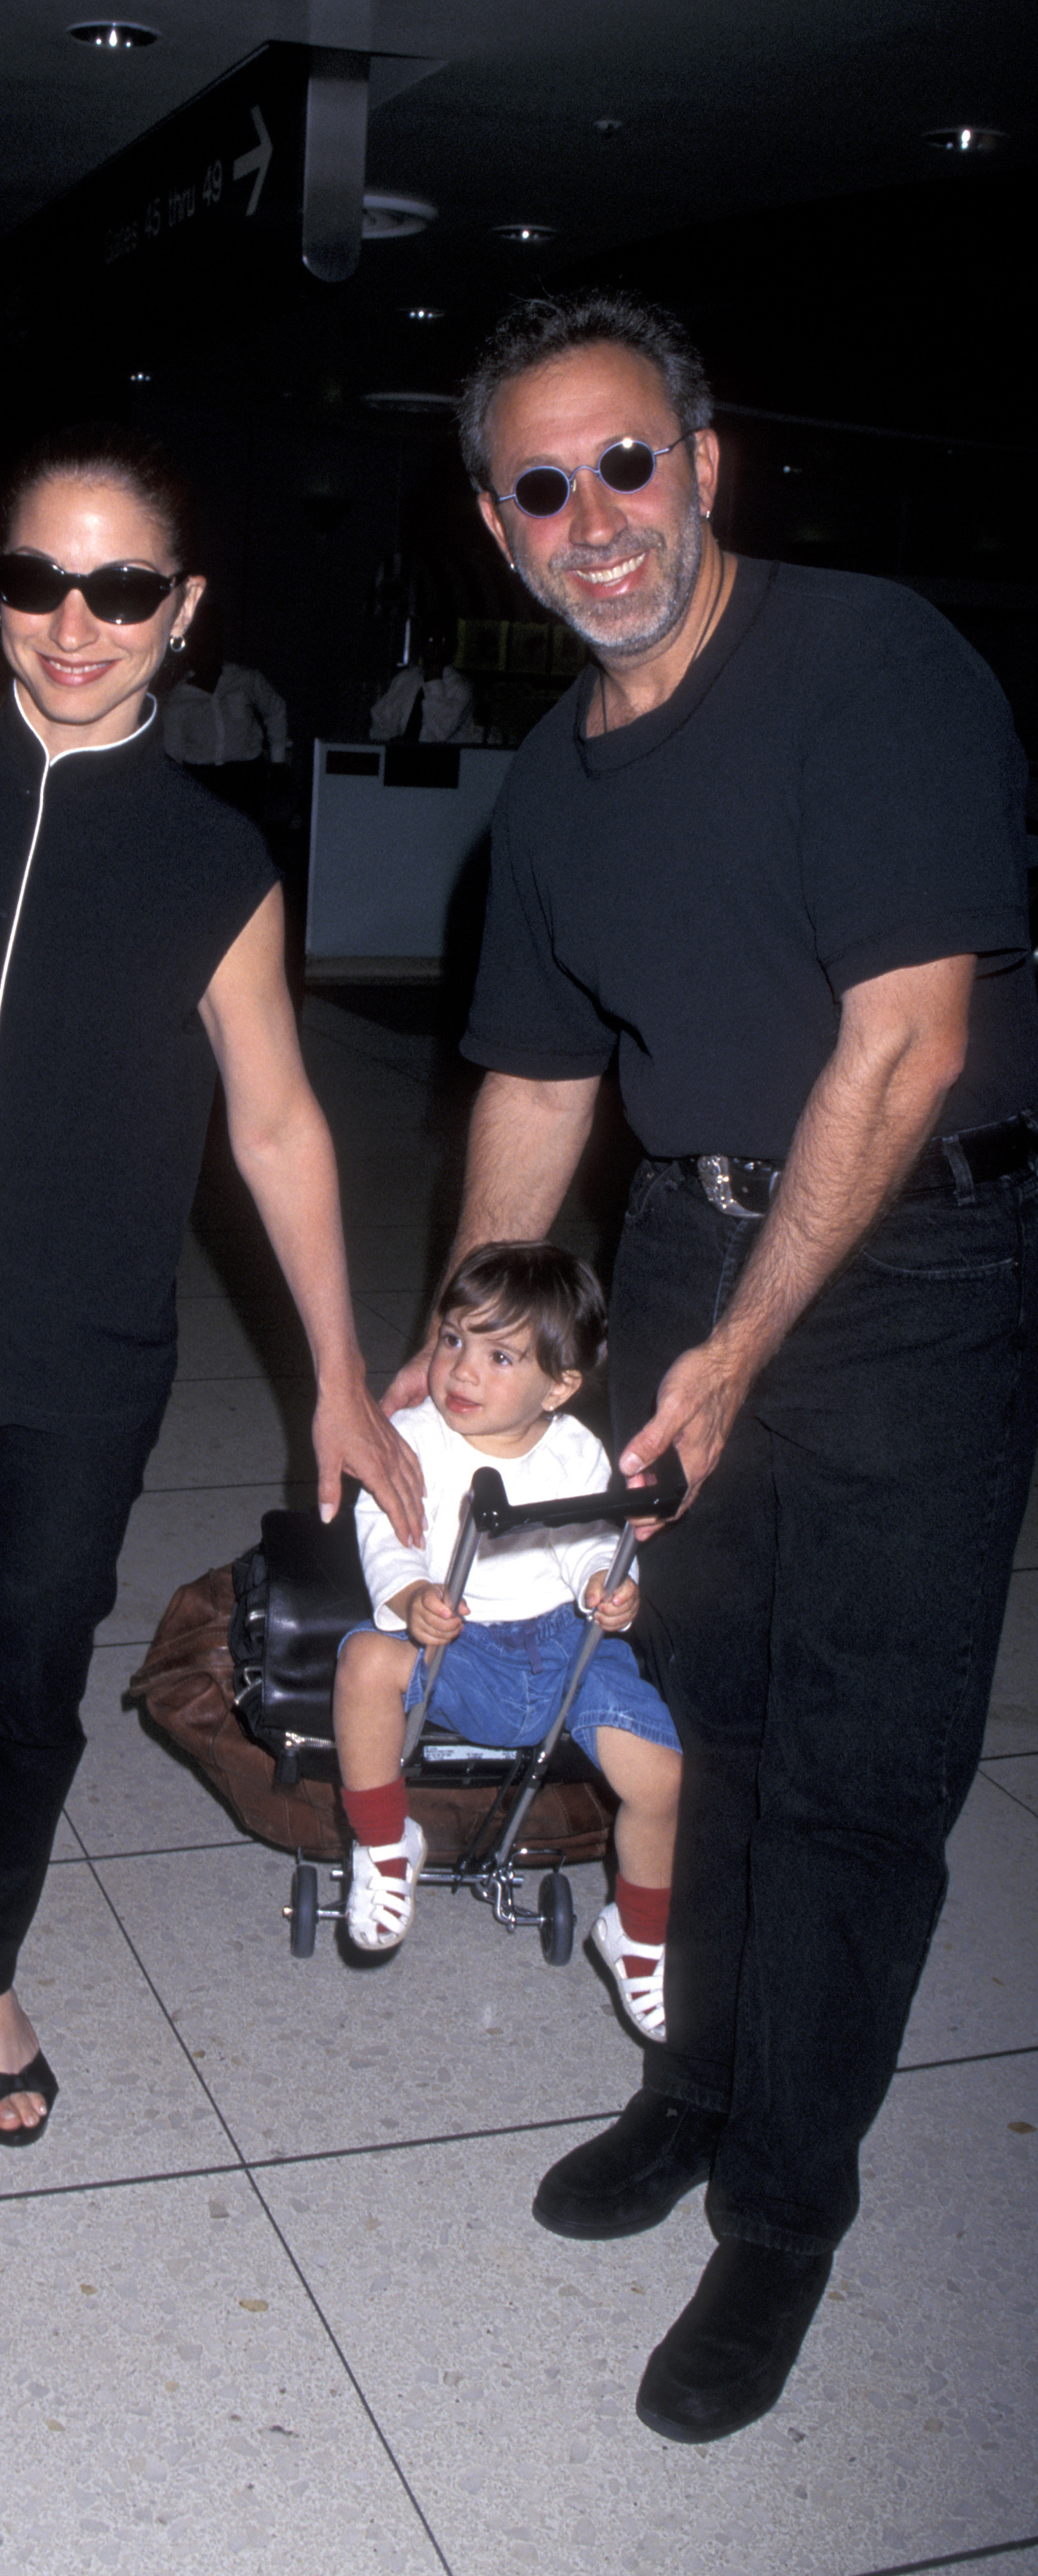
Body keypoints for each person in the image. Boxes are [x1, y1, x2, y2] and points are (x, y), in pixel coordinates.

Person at [385, 290, 1038, 2441]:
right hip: (687, 1245)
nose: (594, 519)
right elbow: (534, 1082)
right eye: (541, 487)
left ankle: (780, 2205)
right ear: (497, 527)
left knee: (857, 1770)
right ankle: (691, 2083)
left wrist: (745, 1345)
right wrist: (449, 1354)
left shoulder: (866, 666)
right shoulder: (552, 787)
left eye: (625, 463)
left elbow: (907, 1032)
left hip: (914, 1263)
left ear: (702, 458)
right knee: (700, 1710)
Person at [0, 423, 423, 2231]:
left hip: (80, 1367)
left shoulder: (213, 857)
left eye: (121, 589)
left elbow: (282, 1121)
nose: (75, 624)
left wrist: (334, 1379)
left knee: (26, 1699)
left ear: (183, 608)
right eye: (36, 582)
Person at [338, 1243, 679, 2032]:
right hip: (451, 1643)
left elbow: (594, 1537)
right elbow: (384, 1528)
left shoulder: (573, 1451)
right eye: (452, 1339)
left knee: (661, 1779)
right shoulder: (414, 1436)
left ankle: (637, 1931)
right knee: (362, 1662)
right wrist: (410, 1593)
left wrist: (608, 1582)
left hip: (563, 1643)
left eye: (499, 1356)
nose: (462, 1371)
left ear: (558, 1386)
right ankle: (385, 1844)